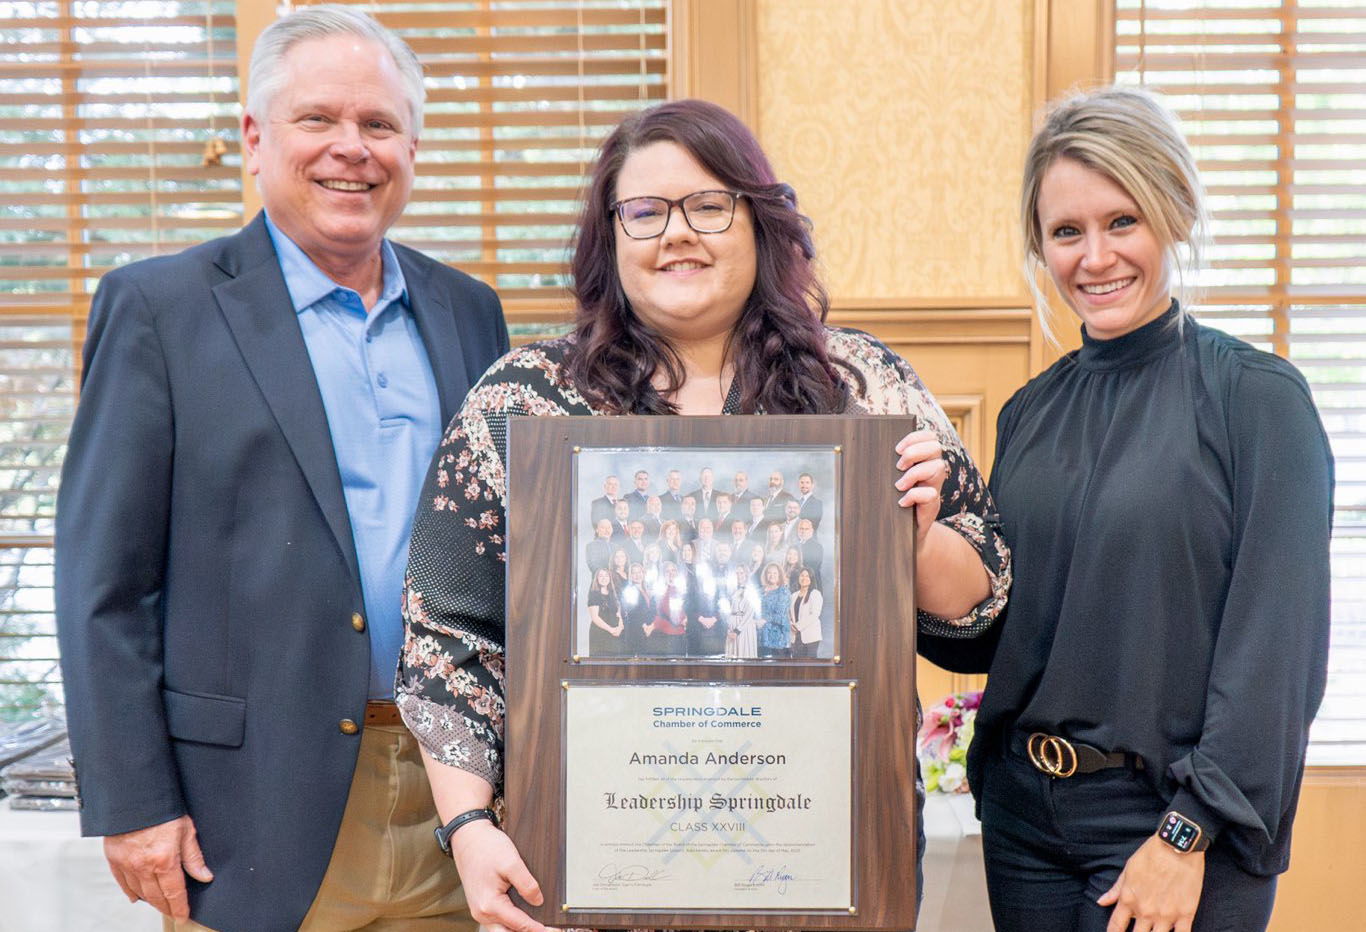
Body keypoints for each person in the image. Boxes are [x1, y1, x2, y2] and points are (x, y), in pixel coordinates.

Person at [397, 98, 1010, 931]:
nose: (676, 233)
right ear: (609, 238)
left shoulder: (861, 388)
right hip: (593, 855)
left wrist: (914, 537)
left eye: (708, 206)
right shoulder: (524, 402)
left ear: (759, 223)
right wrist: (468, 824)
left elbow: (982, 609)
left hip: (821, 853)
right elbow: (448, 636)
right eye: (644, 211)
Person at [53, 7, 510, 931]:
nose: (354, 148)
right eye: (319, 120)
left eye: (379, 124)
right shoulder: (159, 309)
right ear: (257, 139)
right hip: (250, 809)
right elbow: (103, 581)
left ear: (412, 146)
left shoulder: (471, 311)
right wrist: (133, 800)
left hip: (455, 800)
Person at [939, 86, 1333, 932]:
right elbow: (999, 632)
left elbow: (1276, 653)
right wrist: (913, 543)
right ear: (1040, 248)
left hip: (1173, 826)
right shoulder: (1029, 414)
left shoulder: (1257, 401)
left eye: (1123, 221)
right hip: (1023, 823)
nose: (1095, 257)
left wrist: (1187, 834)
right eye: (1066, 232)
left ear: (1174, 213)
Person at [585, 567, 624, 657]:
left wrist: (620, 627)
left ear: (610, 578)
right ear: (597, 579)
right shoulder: (594, 594)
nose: (604, 578)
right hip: (601, 635)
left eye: (606, 575)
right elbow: (595, 618)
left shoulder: (613, 593)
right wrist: (611, 630)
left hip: (616, 634)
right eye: (601, 576)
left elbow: (619, 613)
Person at [757, 563, 792, 659]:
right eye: (769, 573)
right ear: (765, 574)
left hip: (778, 637)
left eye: (775, 573)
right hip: (762, 636)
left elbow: (780, 614)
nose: (771, 575)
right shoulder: (760, 591)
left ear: (779, 575)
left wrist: (764, 620)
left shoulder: (783, 591)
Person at [789, 568, 823, 659]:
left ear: (811, 579)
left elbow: (815, 614)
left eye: (807, 576)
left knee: (809, 665)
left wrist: (798, 626)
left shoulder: (815, 594)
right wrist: (791, 624)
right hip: (795, 637)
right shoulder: (793, 596)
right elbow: (789, 614)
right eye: (802, 575)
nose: (804, 578)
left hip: (810, 636)